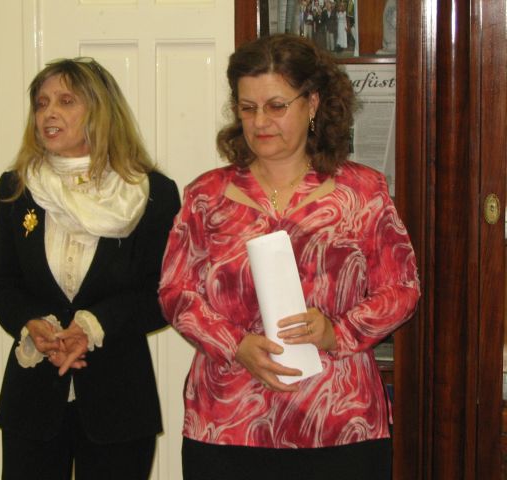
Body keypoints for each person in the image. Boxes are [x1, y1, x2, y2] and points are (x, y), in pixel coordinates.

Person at [158, 34, 420, 480]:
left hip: (339, 422)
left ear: (312, 103)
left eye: (276, 106)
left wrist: (337, 332)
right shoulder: (206, 195)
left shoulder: (362, 191)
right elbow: (175, 292)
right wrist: (235, 345)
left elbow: (402, 289)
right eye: (247, 108)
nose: (260, 121)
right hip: (227, 423)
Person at [0, 57, 181, 480]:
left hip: (119, 403)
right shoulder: (17, 187)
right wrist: (30, 323)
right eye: (41, 103)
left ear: (99, 111)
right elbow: (3, 284)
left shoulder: (151, 193)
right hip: (32, 402)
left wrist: (94, 325)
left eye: (66, 101)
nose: (49, 113)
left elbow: (164, 294)